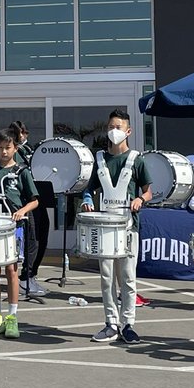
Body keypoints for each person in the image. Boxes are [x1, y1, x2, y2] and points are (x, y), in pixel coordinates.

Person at [81, 108, 152, 344]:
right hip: (105, 226)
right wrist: (88, 200)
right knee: (106, 277)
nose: (113, 131)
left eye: (118, 127)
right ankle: (111, 323)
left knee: (128, 277)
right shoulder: (100, 158)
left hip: (129, 226)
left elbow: (148, 190)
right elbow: (89, 188)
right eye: (111, 127)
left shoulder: (136, 159)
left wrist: (140, 199)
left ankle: (128, 324)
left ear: (128, 131)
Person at [0, 128, 39, 339]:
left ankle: (12, 318)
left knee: (11, 270)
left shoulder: (22, 171)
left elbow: (35, 200)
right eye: (0, 147)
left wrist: (22, 211)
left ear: (16, 148)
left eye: (8, 148)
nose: (4, 152)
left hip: (14, 226)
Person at [12, 121, 49, 298]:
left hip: (38, 198)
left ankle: (32, 275)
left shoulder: (28, 150)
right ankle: (25, 278)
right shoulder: (15, 153)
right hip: (26, 202)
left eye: (25, 132)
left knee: (42, 236)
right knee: (32, 241)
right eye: (21, 133)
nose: (24, 135)